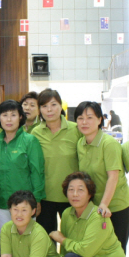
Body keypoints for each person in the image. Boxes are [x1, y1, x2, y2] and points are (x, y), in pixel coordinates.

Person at [75, 102, 129, 253]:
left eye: (90, 117)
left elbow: (113, 177)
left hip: (117, 205)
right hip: (97, 206)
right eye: (80, 118)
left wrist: (104, 204)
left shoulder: (109, 144)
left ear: (99, 120)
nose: (84, 122)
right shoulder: (80, 143)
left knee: (117, 250)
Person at [32, 89, 81, 234]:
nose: (49, 110)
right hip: (45, 197)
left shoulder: (76, 129)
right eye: (44, 106)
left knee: (72, 237)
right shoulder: (35, 133)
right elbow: (34, 167)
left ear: (61, 106)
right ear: (40, 110)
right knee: (46, 239)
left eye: (53, 105)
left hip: (72, 196)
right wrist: (36, 197)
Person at [0, 100, 45, 230]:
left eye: (13, 115)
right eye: (4, 115)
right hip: (2, 204)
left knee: (25, 239)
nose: (9, 119)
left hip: (25, 204)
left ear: (20, 117)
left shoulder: (30, 141)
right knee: (4, 239)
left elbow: (37, 172)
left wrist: (37, 199)